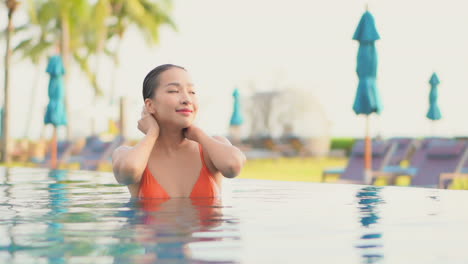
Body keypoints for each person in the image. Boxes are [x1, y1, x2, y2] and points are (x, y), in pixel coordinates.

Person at [112, 64, 246, 199]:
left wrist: (198, 134)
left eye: (192, 92)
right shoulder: (127, 154)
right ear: (150, 105)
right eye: (174, 91)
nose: (187, 99)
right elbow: (128, 171)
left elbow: (233, 166)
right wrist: (152, 133)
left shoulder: (211, 147)